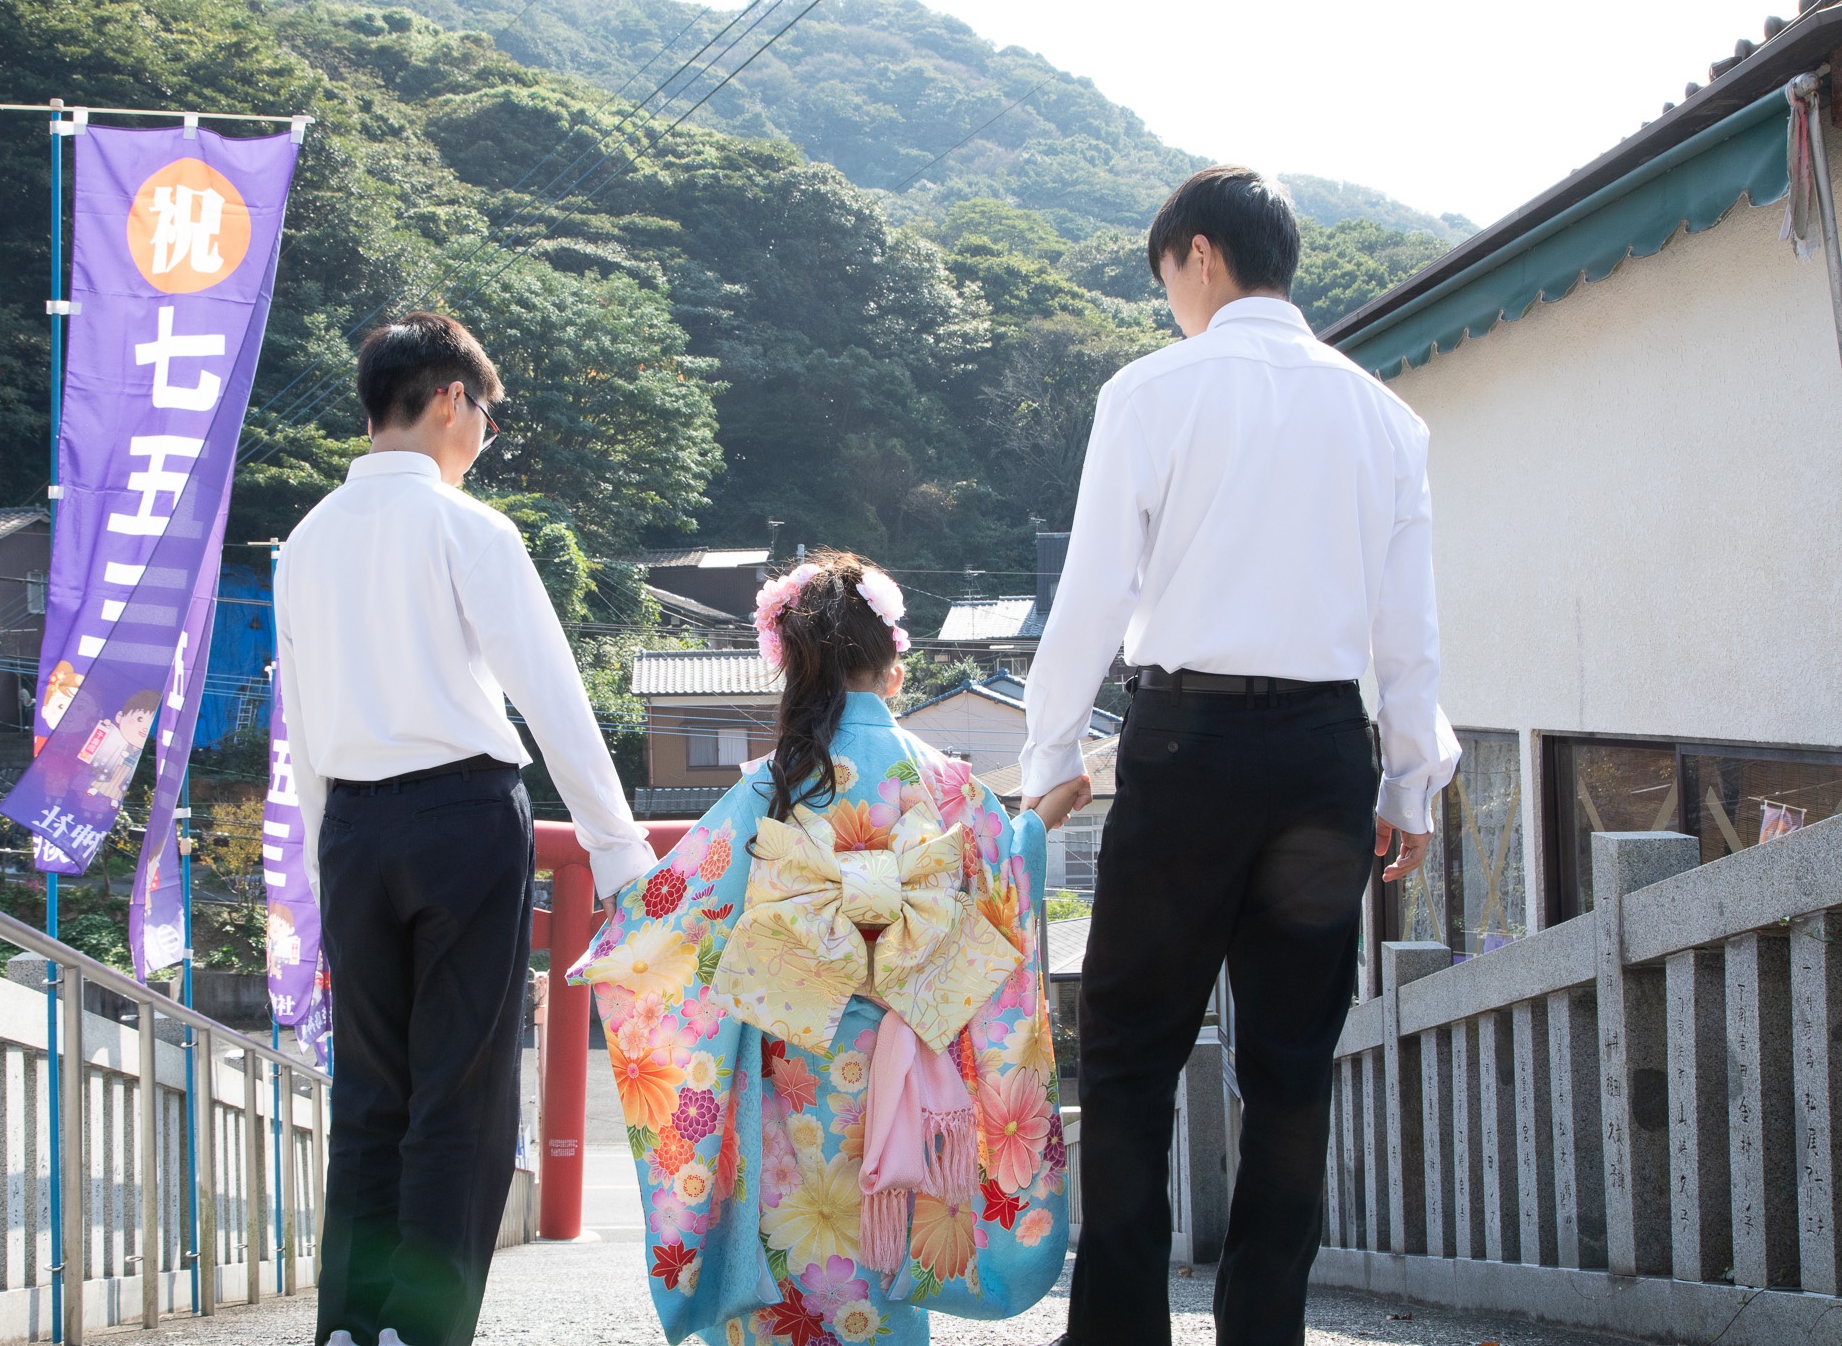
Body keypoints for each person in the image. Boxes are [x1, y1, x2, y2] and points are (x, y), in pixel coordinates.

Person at [1019, 167, 1460, 1344]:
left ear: (1198, 254)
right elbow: (1407, 627)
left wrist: (1049, 752)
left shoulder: (1150, 392)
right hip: (1321, 756)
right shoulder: (1383, 415)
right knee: (1289, 1065)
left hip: (1185, 747)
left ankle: (1118, 1333)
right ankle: (1263, 1331)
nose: (1168, 298)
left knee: (1128, 1055)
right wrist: (1409, 781)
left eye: (1165, 274)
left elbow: (1091, 591)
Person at [566, 552, 1086, 1346]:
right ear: (892, 667)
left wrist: (623, 943)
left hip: (791, 1066)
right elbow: (1006, 879)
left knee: (791, 1233)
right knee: (883, 1240)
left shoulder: (769, 788)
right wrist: (1039, 825)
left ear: (796, 668)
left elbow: (684, 911)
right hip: (904, 1063)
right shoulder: (947, 784)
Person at [274, 312, 657, 1346]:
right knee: (461, 1088)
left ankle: (350, 1326)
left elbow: (301, 724)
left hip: (351, 828)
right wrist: (618, 850)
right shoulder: (468, 527)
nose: (484, 436)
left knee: (369, 1092)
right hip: (462, 815)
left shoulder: (304, 542)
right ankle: (420, 1328)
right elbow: (551, 697)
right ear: (450, 399)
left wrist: (321, 858)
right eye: (486, 415)